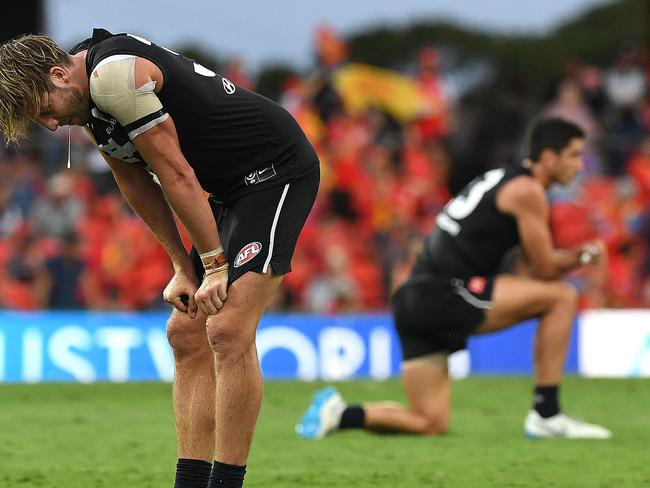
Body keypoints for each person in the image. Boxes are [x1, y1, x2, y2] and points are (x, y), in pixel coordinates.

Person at [0, 29, 320, 487]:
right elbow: (135, 182)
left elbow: (175, 173)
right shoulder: (87, 100)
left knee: (227, 329)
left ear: (57, 74)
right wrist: (181, 268)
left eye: (46, 111)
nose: (51, 126)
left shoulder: (113, 79)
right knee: (185, 333)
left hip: (276, 173)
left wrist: (213, 266)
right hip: (229, 189)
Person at [296, 118, 612, 440]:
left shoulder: (502, 179)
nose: (579, 164)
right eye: (573, 155)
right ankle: (547, 412)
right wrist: (583, 256)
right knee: (562, 297)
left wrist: (569, 259)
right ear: (548, 157)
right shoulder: (528, 191)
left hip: (412, 300)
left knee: (429, 423)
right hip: (445, 293)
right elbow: (544, 270)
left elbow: (534, 267)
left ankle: (340, 414)